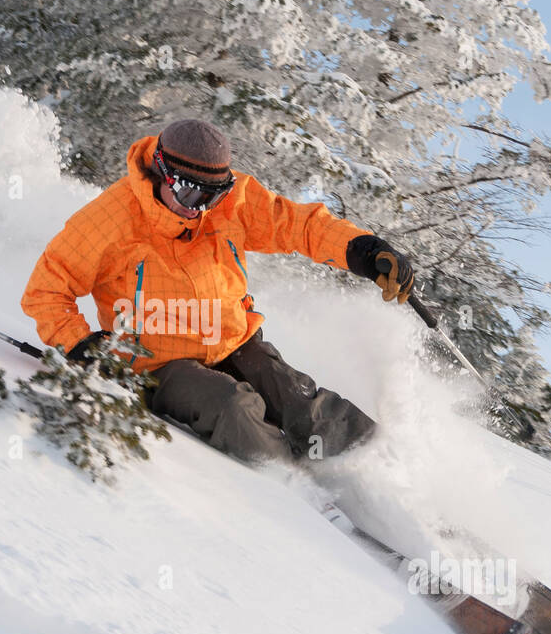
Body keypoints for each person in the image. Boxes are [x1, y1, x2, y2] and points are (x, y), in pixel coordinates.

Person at [21, 118, 416, 463]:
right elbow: (47, 288)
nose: (201, 209)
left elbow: (299, 226)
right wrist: (81, 344)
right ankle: (301, 492)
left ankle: (388, 470)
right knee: (235, 408)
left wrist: (361, 250)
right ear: (162, 173)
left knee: (303, 406)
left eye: (214, 195)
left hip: (232, 340)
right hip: (159, 364)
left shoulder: (232, 204)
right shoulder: (111, 220)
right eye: (192, 194)